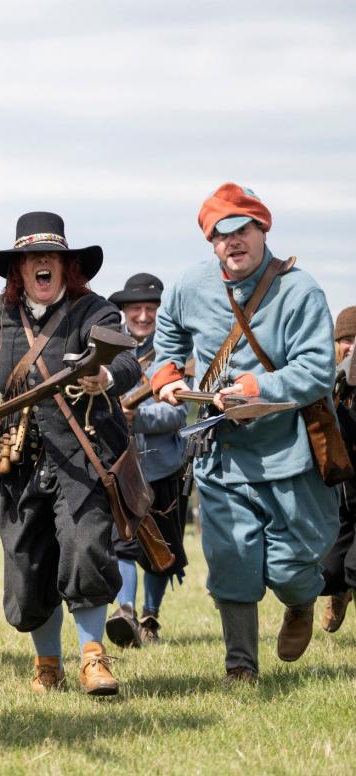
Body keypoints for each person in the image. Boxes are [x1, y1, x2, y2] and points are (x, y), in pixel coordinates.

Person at [152, 183, 339, 682]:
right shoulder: (189, 284)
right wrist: (167, 372)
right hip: (221, 452)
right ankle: (240, 666)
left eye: (242, 230)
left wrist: (261, 386)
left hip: (289, 453)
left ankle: (300, 604)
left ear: (262, 229)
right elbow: (167, 332)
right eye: (220, 235)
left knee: (291, 569)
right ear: (210, 242)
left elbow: (319, 370)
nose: (232, 242)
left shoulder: (301, 290)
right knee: (230, 561)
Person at [0, 211, 139, 697]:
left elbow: (125, 360)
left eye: (51, 256)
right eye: (30, 258)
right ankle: (47, 664)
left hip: (82, 454)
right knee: (27, 567)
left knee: (85, 549)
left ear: (66, 266)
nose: (41, 263)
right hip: (18, 461)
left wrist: (104, 378)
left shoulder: (95, 311)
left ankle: (92, 659)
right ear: (18, 271)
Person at [103, 273, 189, 647]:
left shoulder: (173, 354)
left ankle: (150, 619)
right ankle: (126, 611)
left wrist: (140, 417)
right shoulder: (110, 353)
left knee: (162, 548)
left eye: (150, 308)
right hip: (120, 465)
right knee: (123, 542)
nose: (142, 315)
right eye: (135, 308)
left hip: (162, 466)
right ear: (124, 311)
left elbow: (178, 415)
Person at [319, 306, 356, 632]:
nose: (352, 347)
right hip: (340, 494)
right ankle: (339, 593)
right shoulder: (330, 380)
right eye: (346, 339)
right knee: (328, 574)